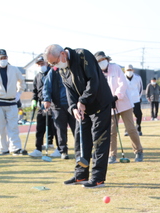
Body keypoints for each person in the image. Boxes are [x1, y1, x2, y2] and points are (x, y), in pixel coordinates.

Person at [44, 44, 112, 188]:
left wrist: (83, 100)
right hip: (83, 108)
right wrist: (73, 107)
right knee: (80, 140)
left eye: (54, 62)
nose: (54, 66)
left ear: (63, 54)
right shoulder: (62, 69)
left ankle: (97, 178)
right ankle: (81, 175)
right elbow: (69, 90)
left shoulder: (83, 56)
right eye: (51, 65)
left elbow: (93, 81)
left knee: (99, 141)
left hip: (100, 103)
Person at [94, 51, 144, 163]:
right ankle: (112, 155)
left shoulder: (115, 68)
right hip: (109, 105)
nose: (102, 62)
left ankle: (138, 151)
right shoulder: (97, 73)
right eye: (99, 61)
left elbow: (123, 83)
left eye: (103, 60)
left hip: (124, 103)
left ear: (107, 59)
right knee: (111, 131)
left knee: (131, 129)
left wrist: (116, 96)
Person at [0, 49, 25, 156]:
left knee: (13, 126)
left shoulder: (14, 69)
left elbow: (22, 81)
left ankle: (15, 148)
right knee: (0, 126)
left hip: (12, 102)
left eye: (5, 58)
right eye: (1, 58)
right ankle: (3, 148)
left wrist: (18, 93)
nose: (3, 60)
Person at [28, 56, 59, 158]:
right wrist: (34, 100)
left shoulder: (53, 73)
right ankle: (38, 149)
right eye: (39, 64)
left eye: (43, 63)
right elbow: (35, 91)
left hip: (53, 104)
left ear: (47, 63)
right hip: (42, 105)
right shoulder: (37, 76)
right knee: (40, 128)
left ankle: (59, 148)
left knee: (55, 128)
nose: (41, 66)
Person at [43, 66, 76, 160]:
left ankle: (81, 150)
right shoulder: (53, 71)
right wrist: (47, 99)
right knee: (60, 130)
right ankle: (63, 151)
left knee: (76, 128)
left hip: (72, 104)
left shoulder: (72, 69)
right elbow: (47, 86)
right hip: (58, 105)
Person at [124, 64, 144, 136]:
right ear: (125, 71)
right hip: (126, 100)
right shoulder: (122, 77)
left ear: (133, 70)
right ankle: (127, 130)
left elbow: (140, 88)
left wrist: (138, 96)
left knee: (138, 114)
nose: (129, 72)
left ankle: (138, 128)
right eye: (127, 70)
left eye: (130, 70)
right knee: (127, 116)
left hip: (136, 99)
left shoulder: (138, 78)